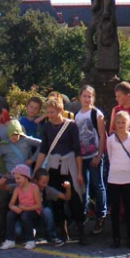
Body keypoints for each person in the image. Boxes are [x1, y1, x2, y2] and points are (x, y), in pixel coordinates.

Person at [34, 96, 86, 244]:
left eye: (52, 112)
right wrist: (36, 170)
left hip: (69, 164)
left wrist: (80, 171)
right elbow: (43, 150)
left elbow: (77, 150)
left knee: (75, 197)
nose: (49, 115)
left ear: (60, 110)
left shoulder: (71, 126)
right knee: (56, 198)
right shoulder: (47, 127)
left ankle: (81, 231)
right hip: (53, 166)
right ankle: (63, 232)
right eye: (48, 112)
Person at [0, 120, 42, 240]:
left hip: (25, 180)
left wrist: (32, 159)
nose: (14, 138)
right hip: (10, 179)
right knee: (1, 204)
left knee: (24, 205)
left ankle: (25, 232)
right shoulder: (3, 146)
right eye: (11, 135)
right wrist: (3, 172)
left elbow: (42, 144)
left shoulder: (26, 140)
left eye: (16, 135)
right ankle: (2, 232)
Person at [74, 85, 108, 235]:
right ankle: (84, 213)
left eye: (90, 96)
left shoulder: (96, 114)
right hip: (82, 156)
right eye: (85, 96)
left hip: (94, 154)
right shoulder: (77, 115)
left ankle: (101, 214)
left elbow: (102, 136)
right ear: (79, 97)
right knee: (83, 186)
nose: (87, 99)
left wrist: (99, 155)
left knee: (98, 184)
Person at [106, 111, 130, 248]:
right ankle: (116, 238)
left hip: (129, 177)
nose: (120, 125)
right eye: (118, 122)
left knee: (129, 208)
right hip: (114, 177)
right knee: (115, 209)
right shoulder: (110, 140)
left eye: (123, 122)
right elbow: (110, 156)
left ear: (128, 123)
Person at [0, 164, 42, 250]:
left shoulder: (34, 188)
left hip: (32, 210)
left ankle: (30, 240)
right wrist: (13, 207)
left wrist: (25, 209)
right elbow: (11, 203)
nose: (16, 181)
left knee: (25, 216)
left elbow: (38, 205)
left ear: (26, 177)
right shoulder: (17, 189)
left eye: (18, 178)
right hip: (22, 209)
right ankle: (10, 240)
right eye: (15, 179)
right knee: (10, 214)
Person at [34, 168, 71, 246]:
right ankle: (28, 236)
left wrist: (68, 188)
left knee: (47, 211)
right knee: (18, 230)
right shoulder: (28, 187)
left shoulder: (47, 190)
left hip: (40, 214)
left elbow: (66, 197)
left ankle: (52, 236)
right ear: (35, 181)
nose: (45, 185)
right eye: (43, 182)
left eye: (47, 182)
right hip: (28, 214)